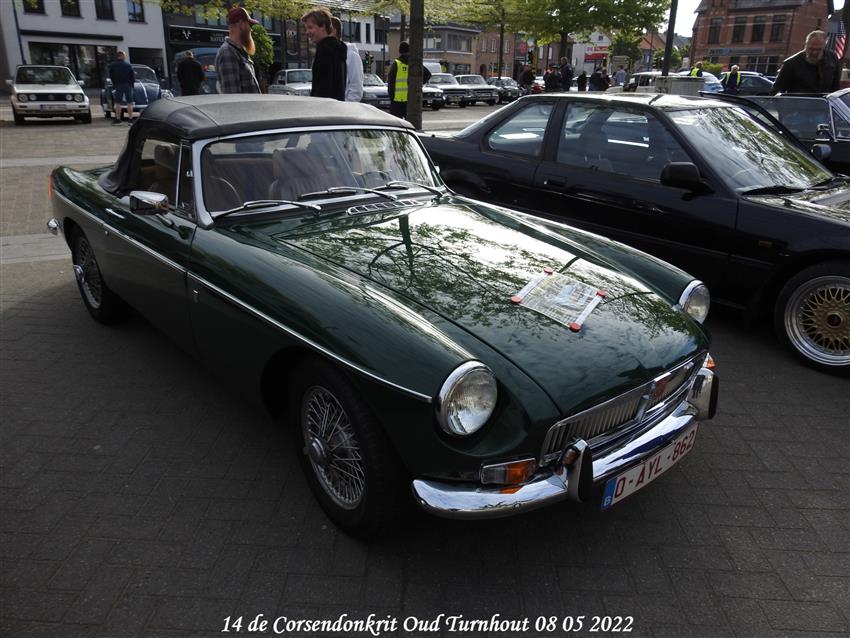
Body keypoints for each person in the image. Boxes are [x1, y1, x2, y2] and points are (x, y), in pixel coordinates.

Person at [772, 30, 842, 94]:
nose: (814, 52)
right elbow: (776, 91)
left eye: (818, 49)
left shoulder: (832, 58)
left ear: (824, 46)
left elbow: (836, 87)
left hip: (824, 102)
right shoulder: (791, 63)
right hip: (799, 102)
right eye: (811, 49)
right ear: (806, 45)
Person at [302, 7, 347, 100]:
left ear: (322, 26)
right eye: (306, 28)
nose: (307, 32)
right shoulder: (336, 48)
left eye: (310, 27)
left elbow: (323, 88)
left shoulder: (325, 49)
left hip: (324, 106)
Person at [215, 6, 261, 94]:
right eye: (249, 25)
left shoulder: (239, 51)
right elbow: (233, 97)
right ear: (241, 23)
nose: (251, 29)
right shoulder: (228, 52)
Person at [387, 41, 431, 121]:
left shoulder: (396, 64)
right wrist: (419, 84)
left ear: (400, 51)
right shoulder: (414, 63)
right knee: (410, 124)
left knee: (396, 125)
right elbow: (428, 74)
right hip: (411, 100)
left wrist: (392, 97)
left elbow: (391, 83)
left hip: (397, 102)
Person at [331, 16, 363, 102]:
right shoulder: (327, 54)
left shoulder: (351, 55)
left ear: (333, 31)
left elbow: (356, 87)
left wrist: (346, 106)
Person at [108, 50, 135, 124]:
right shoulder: (128, 65)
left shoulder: (112, 65)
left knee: (118, 102)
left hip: (118, 85)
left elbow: (111, 76)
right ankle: (130, 119)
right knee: (129, 102)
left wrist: (114, 83)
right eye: (124, 55)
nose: (125, 57)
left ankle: (118, 119)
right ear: (122, 56)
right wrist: (132, 84)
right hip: (128, 84)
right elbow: (132, 76)